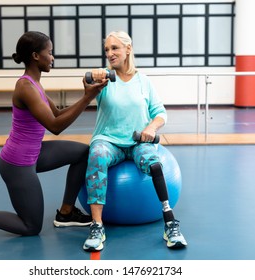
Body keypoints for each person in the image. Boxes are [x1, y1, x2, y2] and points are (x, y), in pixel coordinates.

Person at [0, 31, 108, 236]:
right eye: (49, 53)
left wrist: (88, 95)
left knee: (84, 153)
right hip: (17, 163)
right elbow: (55, 126)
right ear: (35, 56)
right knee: (31, 226)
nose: (52, 58)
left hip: (35, 152)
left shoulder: (35, 84)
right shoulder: (25, 87)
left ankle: (66, 213)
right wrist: (88, 98)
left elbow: (57, 113)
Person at [82, 31, 187, 251]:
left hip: (138, 141)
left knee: (154, 163)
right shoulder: (105, 80)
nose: (110, 53)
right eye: (107, 50)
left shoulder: (143, 81)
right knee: (97, 155)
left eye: (115, 48)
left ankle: (170, 223)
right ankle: (97, 226)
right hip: (109, 141)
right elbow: (87, 89)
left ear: (128, 49)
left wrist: (151, 127)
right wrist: (90, 80)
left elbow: (160, 112)